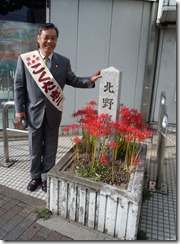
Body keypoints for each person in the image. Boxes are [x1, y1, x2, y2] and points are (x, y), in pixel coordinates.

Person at [14, 23, 101, 193]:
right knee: (34, 148)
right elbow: (19, 85)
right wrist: (19, 109)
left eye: (53, 38)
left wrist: (90, 80)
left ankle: (47, 177)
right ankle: (35, 177)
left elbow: (73, 80)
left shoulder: (63, 61)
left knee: (51, 148)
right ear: (39, 39)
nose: (49, 41)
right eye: (46, 37)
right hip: (33, 112)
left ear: (56, 40)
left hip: (54, 111)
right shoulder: (26, 59)